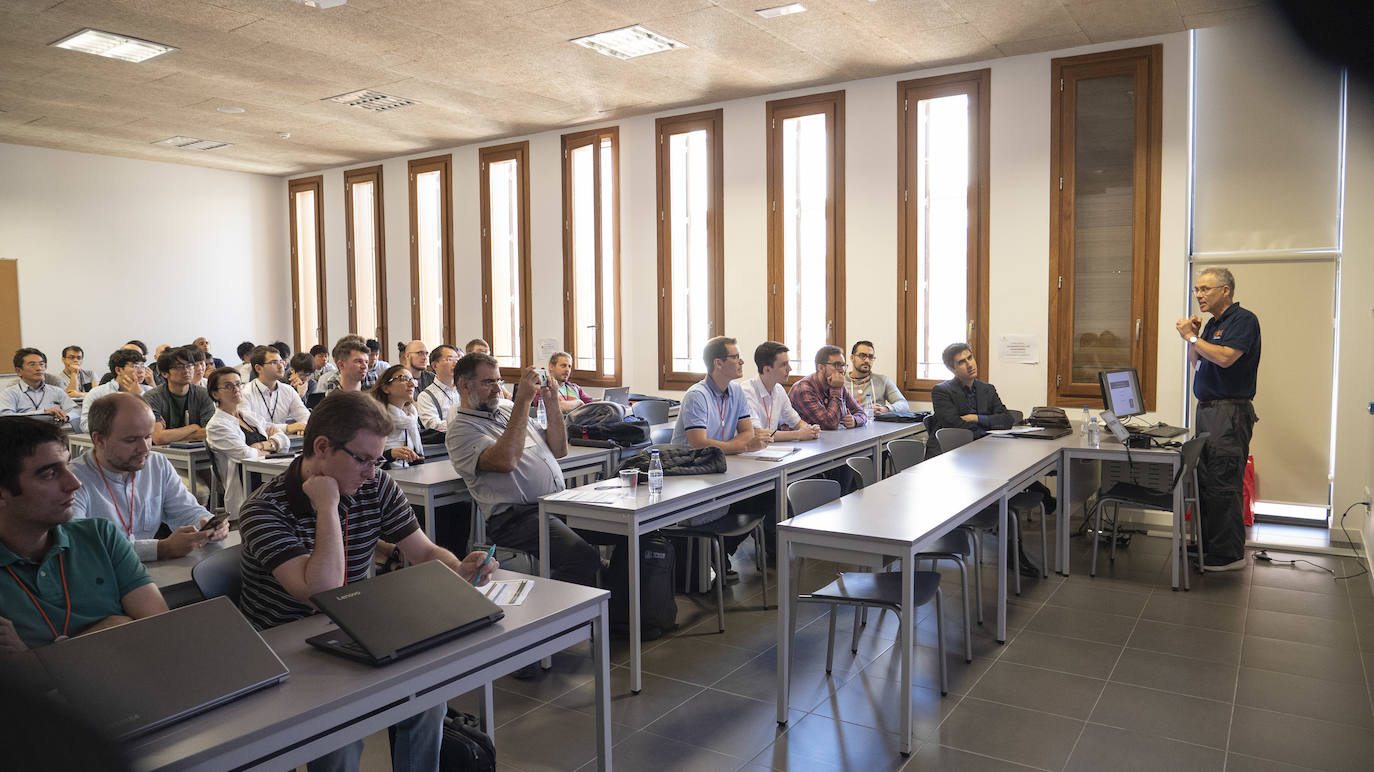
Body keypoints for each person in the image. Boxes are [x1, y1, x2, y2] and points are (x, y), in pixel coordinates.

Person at [237, 391, 494, 772]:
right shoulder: (263, 509)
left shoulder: (375, 485)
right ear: (322, 447)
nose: (373, 472)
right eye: (364, 460)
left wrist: (457, 568)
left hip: (355, 627)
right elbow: (320, 593)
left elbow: (422, 552)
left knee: (429, 700)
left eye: (377, 460)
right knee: (341, 735)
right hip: (285, 648)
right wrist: (327, 506)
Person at [0, 417, 168, 652]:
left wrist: (34, 658)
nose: (74, 482)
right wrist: (114, 624)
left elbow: (159, 627)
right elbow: (19, 683)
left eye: (66, 466)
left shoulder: (100, 535)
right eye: (48, 474)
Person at [447, 353, 606, 587]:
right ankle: (556, 619)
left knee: (626, 532)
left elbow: (559, 449)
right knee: (582, 557)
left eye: (498, 381)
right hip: (516, 518)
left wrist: (551, 403)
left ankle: (620, 617)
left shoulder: (506, 410)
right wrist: (522, 401)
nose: (496, 389)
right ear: (463, 384)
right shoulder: (461, 429)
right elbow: (506, 461)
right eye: (488, 382)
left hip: (555, 504)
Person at [70, 393, 229, 561]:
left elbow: (187, 511)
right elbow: (82, 547)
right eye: (131, 440)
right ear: (99, 440)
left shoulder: (156, 463)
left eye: (148, 437)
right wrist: (162, 549)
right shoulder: (72, 480)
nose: (144, 448)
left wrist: (208, 524)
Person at [1177, 266, 1261, 572]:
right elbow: (1197, 363)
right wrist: (1194, 338)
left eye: (1205, 289)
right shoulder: (1213, 324)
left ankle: (1227, 555)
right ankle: (1210, 545)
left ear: (1225, 290)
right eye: (1197, 289)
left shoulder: (1244, 320)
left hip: (1229, 412)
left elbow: (1226, 358)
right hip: (1209, 410)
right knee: (1207, 480)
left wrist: (1191, 337)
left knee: (1223, 481)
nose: (1198, 295)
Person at [669, 336, 771, 572]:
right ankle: (712, 558)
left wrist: (734, 445)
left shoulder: (735, 391)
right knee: (746, 498)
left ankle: (721, 552)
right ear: (718, 363)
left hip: (718, 467)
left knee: (766, 493)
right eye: (735, 357)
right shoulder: (697, 395)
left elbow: (748, 432)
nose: (741, 362)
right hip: (689, 474)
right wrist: (740, 446)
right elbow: (699, 444)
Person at [206, 368, 290, 517]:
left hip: (269, 476)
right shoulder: (216, 425)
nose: (236, 389)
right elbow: (245, 454)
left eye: (238, 384)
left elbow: (284, 440)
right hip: (248, 487)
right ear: (215, 394)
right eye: (228, 386)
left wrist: (262, 445)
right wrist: (272, 445)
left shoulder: (249, 416)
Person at [929, 342, 1013, 445]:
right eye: (961, 362)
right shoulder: (941, 391)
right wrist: (988, 427)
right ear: (952, 369)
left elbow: (1007, 419)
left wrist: (975, 418)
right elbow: (955, 426)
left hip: (985, 447)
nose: (969, 364)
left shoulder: (988, 389)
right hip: (952, 449)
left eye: (970, 358)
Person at [742, 341, 820, 442]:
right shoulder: (746, 391)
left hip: (772, 451)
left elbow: (796, 422)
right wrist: (798, 435)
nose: (790, 369)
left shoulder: (779, 389)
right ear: (767, 370)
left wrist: (810, 429)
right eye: (784, 365)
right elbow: (757, 433)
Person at [143, 346, 215, 445]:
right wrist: (193, 427)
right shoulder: (152, 397)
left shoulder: (203, 394)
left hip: (197, 451)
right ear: (164, 374)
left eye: (189, 365)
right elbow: (158, 438)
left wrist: (169, 435)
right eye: (179, 367)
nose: (186, 370)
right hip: (163, 454)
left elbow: (210, 431)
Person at [788, 345, 868, 431]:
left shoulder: (837, 384)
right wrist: (836, 389)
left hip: (825, 439)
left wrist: (855, 420)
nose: (842, 370)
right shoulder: (804, 389)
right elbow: (829, 424)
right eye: (837, 365)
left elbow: (861, 413)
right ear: (821, 368)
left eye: (843, 365)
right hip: (798, 442)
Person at [1, 349, 80, 432]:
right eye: (32, 364)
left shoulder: (57, 391)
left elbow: (76, 410)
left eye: (41, 364)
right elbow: (6, 417)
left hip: (54, 435)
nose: (39, 368)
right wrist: (43, 413)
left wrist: (67, 416)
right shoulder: (9, 393)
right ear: (19, 371)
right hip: (23, 436)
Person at [239, 345, 309, 434]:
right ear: (258, 368)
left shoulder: (288, 390)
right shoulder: (244, 392)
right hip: (256, 444)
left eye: (281, 361)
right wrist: (288, 428)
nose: (281, 366)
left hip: (285, 444)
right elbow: (251, 424)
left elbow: (305, 415)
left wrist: (302, 426)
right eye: (274, 362)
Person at [80, 349, 151, 432]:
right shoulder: (98, 394)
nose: (141, 371)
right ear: (118, 370)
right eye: (135, 366)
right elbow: (85, 425)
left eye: (142, 366)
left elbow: (154, 422)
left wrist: (139, 395)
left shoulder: (149, 391)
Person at [369, 365, 424, 467]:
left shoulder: (410, 417)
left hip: (410, 476)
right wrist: (390, 454)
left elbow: (419, 458)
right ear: (386, 388)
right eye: (403, 379)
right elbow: (364, 459)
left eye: (412, 380)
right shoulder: (374, 418)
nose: (412, 384)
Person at [845, 340, 909, 414]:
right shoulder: (841, 382)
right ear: (852, 358)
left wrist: (886, 409)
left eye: (871, 357)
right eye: (862, 356)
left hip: (876, 424)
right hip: (849, 424)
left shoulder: (882, 381)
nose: (867, 360)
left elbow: (904, 405)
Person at [417, 345, 460, 435]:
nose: (455, 363)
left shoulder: (464, 390)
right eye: (449, 359)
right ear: (435, 365)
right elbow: (433, 425)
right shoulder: (426, 396)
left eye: (457, 359)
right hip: (441, 445)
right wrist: (463, 425)